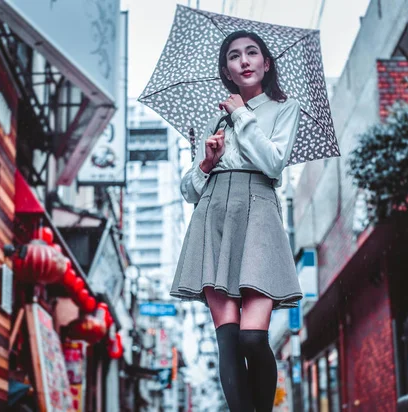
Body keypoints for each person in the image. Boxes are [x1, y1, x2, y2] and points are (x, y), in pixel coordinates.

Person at [170, 30, 303, 412]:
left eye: (251, 53)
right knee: (227, 340)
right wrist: (207, 163)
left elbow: (273, 162)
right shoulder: (215, 120)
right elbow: (189, 190)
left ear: (266, 63)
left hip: (258, 213)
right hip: (213, 216)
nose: (243, 60)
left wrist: (242, 115)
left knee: (252, 339)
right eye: (233, 56)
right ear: (226, 70)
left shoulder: (283, 108)